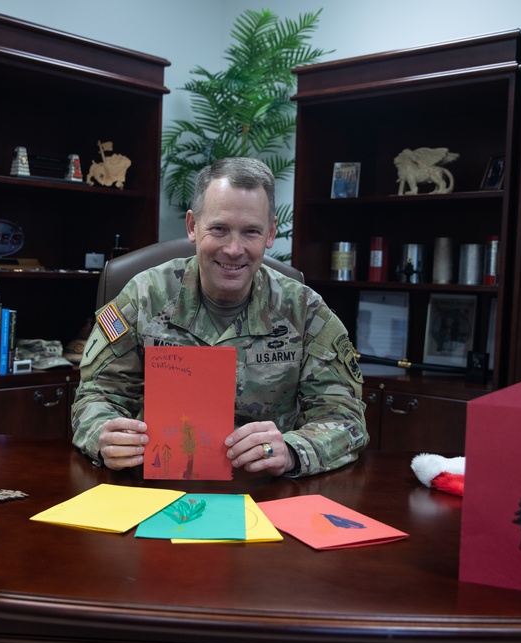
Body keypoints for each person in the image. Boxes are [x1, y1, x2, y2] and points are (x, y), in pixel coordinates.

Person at [71, 157, 369, 477]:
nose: (233, 249)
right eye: (219, 229)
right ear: (192, 227)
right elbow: (96, 395)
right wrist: (104, 436)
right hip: (157, 482)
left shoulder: (304, 310)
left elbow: (345, 418)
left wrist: (293, 451)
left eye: (251, 232)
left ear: (270, 234)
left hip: (266, 489)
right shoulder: (144, 297)